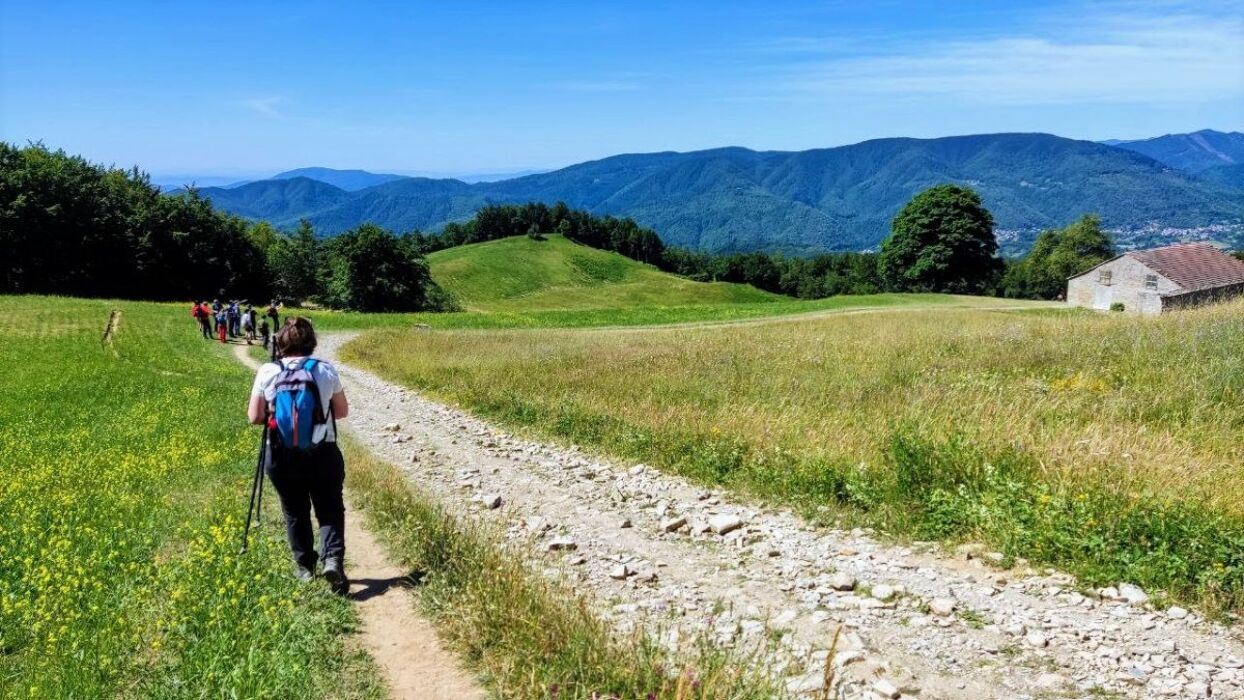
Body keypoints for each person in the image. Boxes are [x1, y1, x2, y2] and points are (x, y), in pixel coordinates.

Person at [247, 317, 350, 592]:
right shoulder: (324, 369)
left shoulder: (268, 371)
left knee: (294, 510)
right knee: (329, 507)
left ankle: (305, 568)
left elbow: (254, 416)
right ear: (311, 342)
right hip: (322, 450)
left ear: (280, 342)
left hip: (280, 453)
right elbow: (342, 411)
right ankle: (332, 560)